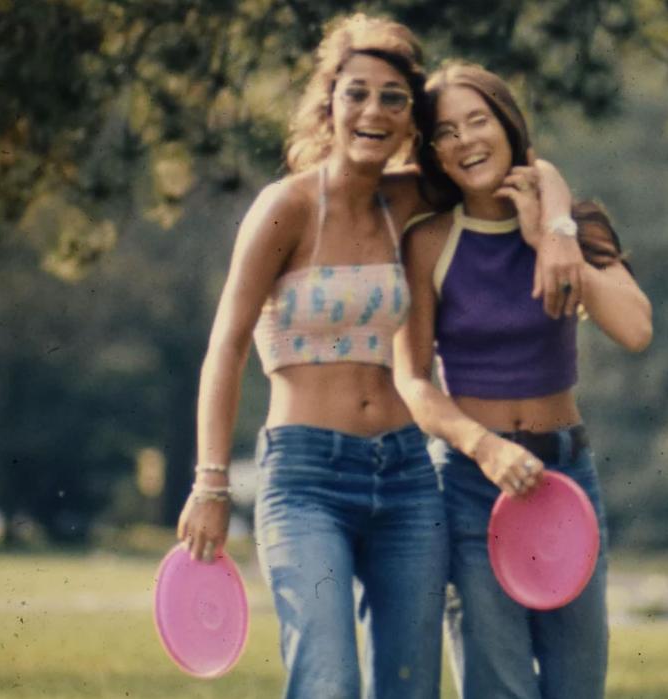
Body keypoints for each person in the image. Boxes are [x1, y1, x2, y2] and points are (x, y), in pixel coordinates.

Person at [175, 15, 448, 699]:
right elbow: (226, 347)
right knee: (327, 679)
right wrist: (210, 482)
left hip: (409, 476)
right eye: (357, 92)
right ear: (329, 102)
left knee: (410, 687)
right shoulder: (285, 208)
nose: (374, 111)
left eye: (394, 97)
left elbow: (511, 161)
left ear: (411, 119)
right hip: (306, 480)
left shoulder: (408, 199)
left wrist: (560, 225)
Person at [394, 63, 653, 699]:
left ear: (509, 126)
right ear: (433, 152)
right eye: (446, 132)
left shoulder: (579, 224)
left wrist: (554, 239)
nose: (466, 140)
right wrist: (485, 449)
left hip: (567, 480)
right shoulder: (428, 242)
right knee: (498, 687)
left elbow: (636, 328)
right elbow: (412, 381)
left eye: (478, 120)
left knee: (576, 688)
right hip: (472, 487)